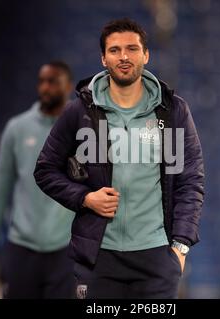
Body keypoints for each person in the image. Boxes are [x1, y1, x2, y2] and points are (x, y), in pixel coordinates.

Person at [34, 19, 205, 299]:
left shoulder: (172, 111)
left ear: (145, 55)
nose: (124, 57)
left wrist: (180, 247)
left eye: (132, 49)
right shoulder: (80, 112)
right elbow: (45, 171)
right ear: (103, 58)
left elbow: (190, 180)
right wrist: (85, 198)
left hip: (157, 258)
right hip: (98, 257)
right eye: (114, 50)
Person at [0, 61, 76, 299]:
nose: (45, 88)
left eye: (53, 82)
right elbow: (0, 190)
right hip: (21, 247)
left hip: (65, 250)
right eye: (42, 81)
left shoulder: (82, 129)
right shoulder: (17, 128)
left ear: (68, 86)